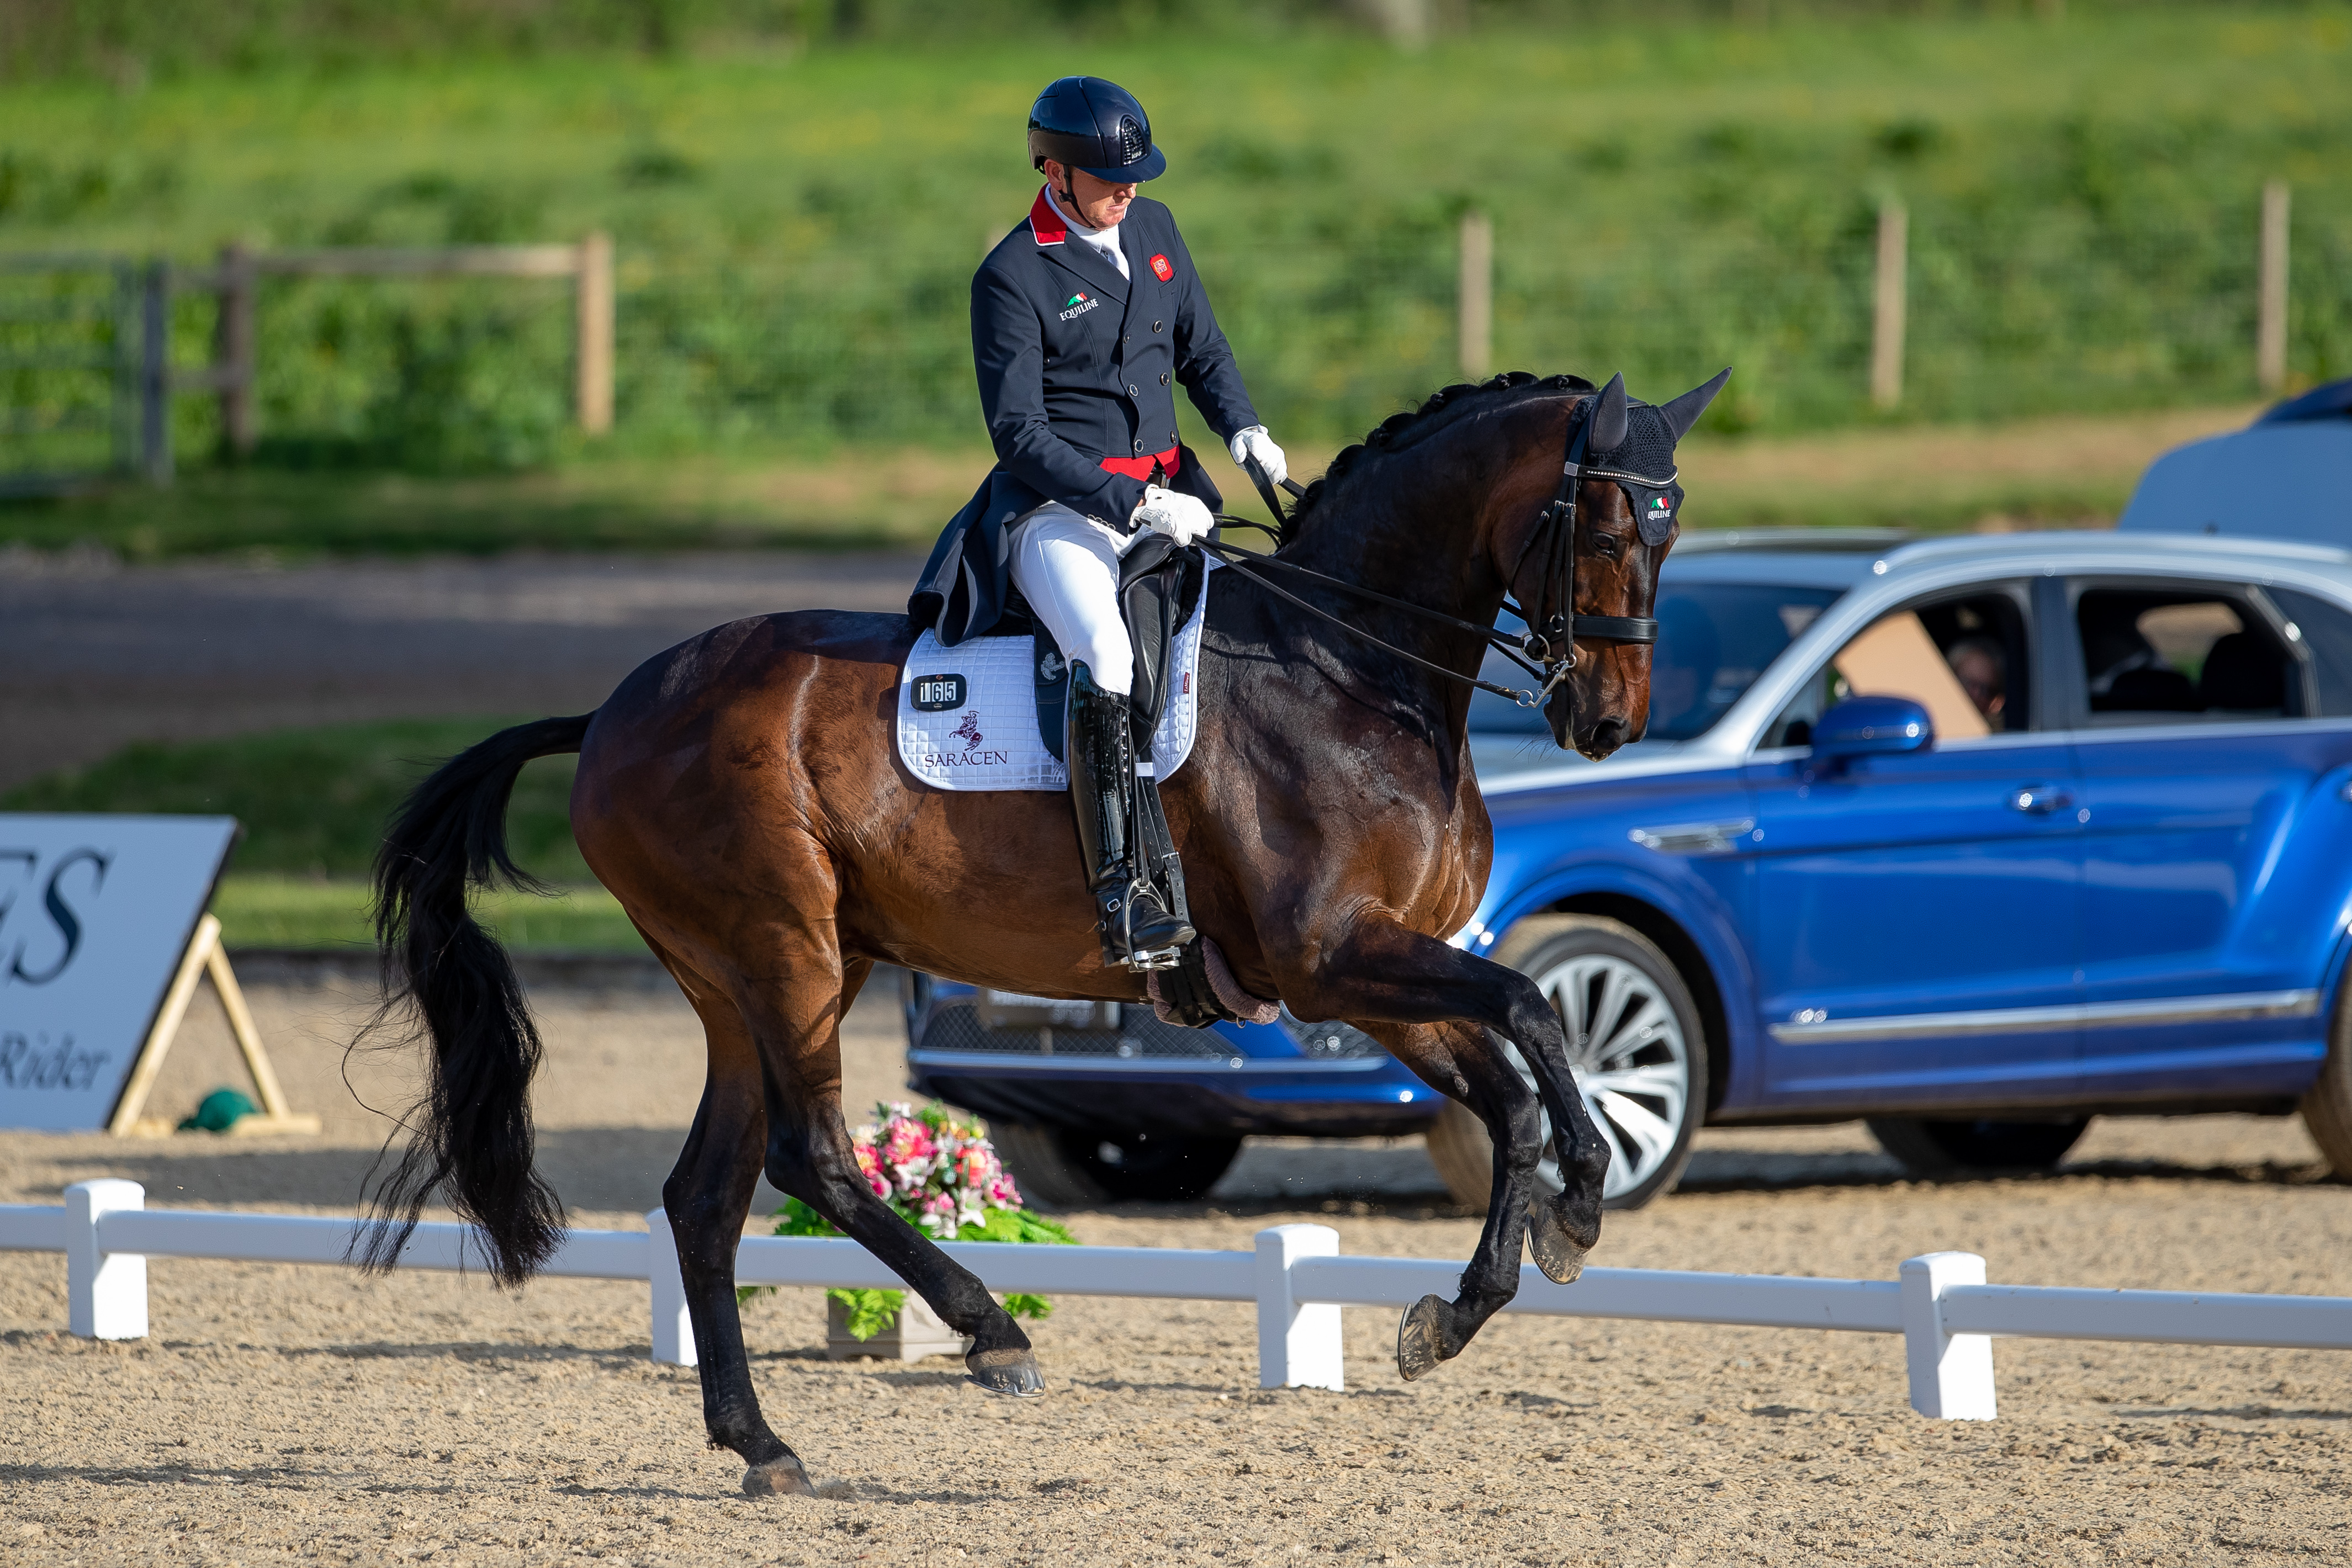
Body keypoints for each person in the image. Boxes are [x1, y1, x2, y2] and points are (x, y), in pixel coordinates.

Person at [909, 76, 1285, 970]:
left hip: (1172, 494)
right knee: (1106, 656)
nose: (1129, 191)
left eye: (1136, 176)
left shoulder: (1153, 230)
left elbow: (1202, 348)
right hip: (1061, 513)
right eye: (1110, 178)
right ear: (1053, 171)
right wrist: (1134, 504)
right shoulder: (1011, 274)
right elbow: (1019, 436)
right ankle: (1124, 889)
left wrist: (1244, 428)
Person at [1945, 634, 2007, 726]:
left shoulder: (1999, 737)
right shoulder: (1926, 725)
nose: (1976, 694)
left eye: (1986, 690)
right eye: (1966, 683)